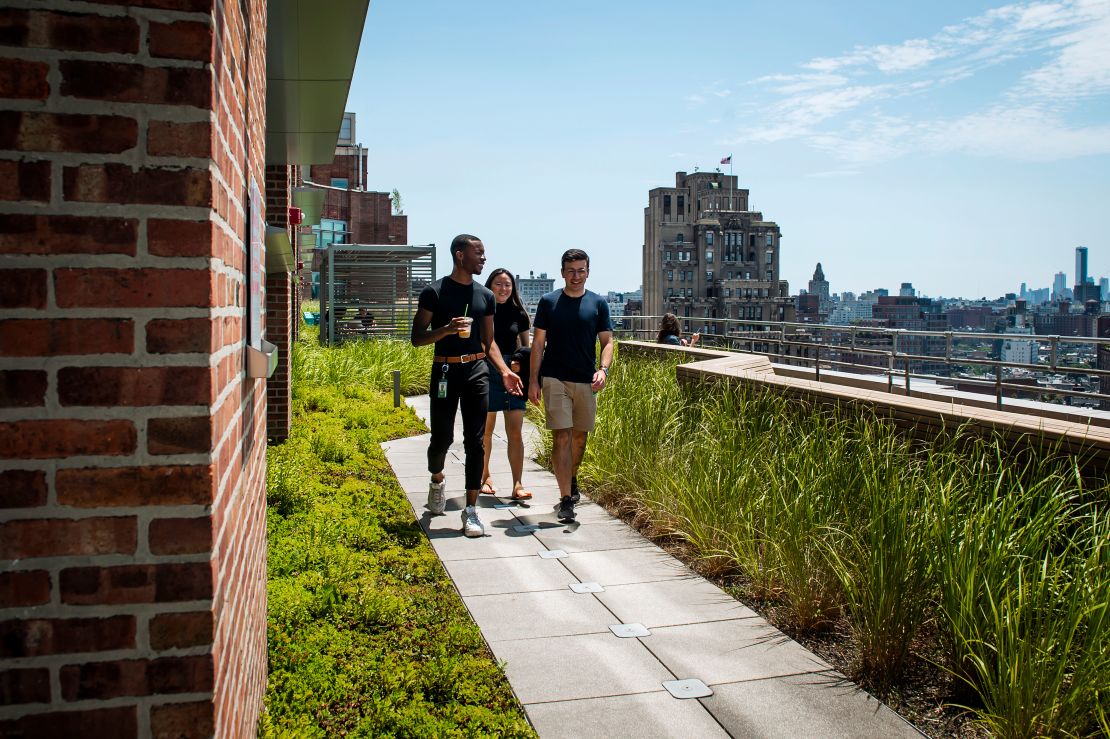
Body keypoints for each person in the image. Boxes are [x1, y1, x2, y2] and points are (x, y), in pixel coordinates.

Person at [411, 235, 522, 537]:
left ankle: (470, 510)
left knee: (476, 441)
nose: (484, 258)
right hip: (444, 369)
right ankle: (437, 479)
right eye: (479, 253)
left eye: (484, 253)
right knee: (442, 438)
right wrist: (446, 329)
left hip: (476, 370)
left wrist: (503, 371)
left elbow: (489, 342)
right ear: (460, 255)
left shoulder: (484, 296)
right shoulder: (434, 292)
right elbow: (417, 337)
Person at [528, 249, 614, 523]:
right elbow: (538, 344)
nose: (576, 276)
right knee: (561, 437)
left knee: (579, 438)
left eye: (581, 270)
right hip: (554, 378)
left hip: (586, 381)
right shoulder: (548, 302)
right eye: (571, 271)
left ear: (588, 272)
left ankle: (572, 478)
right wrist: (533, 380)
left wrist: (604, 370)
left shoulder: (599, 304)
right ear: (562, 272)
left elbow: (607, 342)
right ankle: (566, 498)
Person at [480, 269, 534, 501]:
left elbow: (527, 347)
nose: (503, 289)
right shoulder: (482, 310)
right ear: (489, 286)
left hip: (513, 375)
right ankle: (485, 477)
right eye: (498, 284)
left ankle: (518, 484)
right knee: (486, 431)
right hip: (485, 372)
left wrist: (522, 367)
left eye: (507, 285)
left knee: (515, 432)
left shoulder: (519, 313)